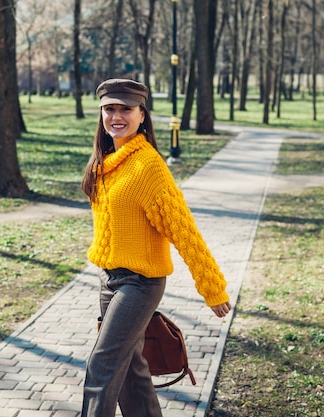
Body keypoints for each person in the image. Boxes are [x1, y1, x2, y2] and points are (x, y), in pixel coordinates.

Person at [80, 78, 232, 417]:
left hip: (140, 284)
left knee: (101, 366)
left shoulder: (149, 168)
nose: (116, 116)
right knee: (131, 372)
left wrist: (212, 287)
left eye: (126, 109)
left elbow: (184, 231)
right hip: (110, 281)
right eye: (109, 109)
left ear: (142, 115)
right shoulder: (105, 161)